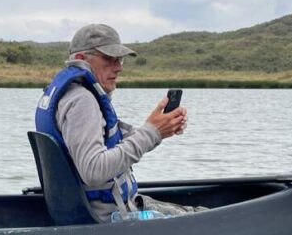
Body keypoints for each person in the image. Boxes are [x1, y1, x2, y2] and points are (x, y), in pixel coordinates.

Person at [35, 23, 203, 223]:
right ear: (80, 59)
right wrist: (151, 132)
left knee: (196, 212)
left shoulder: (69, 94)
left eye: (120, 59)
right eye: (109, 58)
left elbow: (112, 142)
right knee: (206, 217)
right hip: (111, 219)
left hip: (102, 209)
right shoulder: (82, 101)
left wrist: (160, 129)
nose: (119, 67)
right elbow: (94, 170)